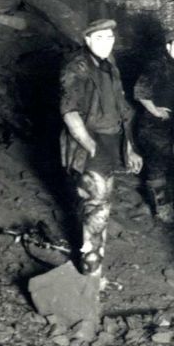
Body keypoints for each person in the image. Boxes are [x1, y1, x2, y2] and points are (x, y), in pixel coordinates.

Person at [59, 19, 140, 287]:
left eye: (110, 37)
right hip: (91, 145)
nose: (107, 42)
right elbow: (69, 113)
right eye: (101, 38)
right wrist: (89, 144)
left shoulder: (110, 66)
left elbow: (121, 111)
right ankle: (91, 273)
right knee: (96, 209)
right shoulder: (77, 67)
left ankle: (95, 268)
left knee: (103, 205)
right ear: (88, 40)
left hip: (111, 142)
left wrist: (128, 146)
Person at [130, 30, 174, 224]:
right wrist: (156, 111)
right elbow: (140, 92)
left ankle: (168, 206)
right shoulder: (157, 65)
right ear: (168, 47)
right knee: (158, 167)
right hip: (152, 127)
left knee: (170, 166)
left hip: (171, 126)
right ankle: (162, 210)